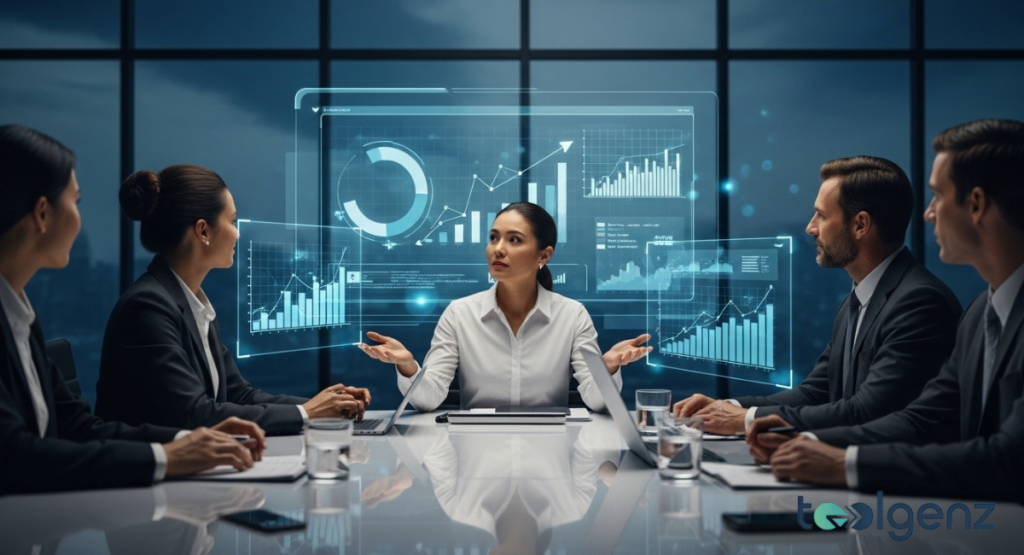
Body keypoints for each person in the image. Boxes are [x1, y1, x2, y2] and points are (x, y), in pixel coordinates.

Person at [748, 119, 1024, 500]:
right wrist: (804, 441)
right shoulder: (979, 314)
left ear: (976, 205)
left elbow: (1010, 459)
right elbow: (922, 419)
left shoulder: (922, 300)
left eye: (938, 196)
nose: (928, 214)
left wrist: (845, 463)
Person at [0, 124, 266, 494]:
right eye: (76, 201)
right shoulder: (147, 306)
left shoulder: (20, 320)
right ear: (42, 213)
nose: (80, 219)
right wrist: (167, 456)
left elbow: (79, 427)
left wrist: (185, 444)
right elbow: (14, 456)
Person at [674, 156, 961, 434]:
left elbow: (868, 411)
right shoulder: (859, 299)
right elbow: (816, 393)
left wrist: (746, 419)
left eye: (822, 215)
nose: (810, 227)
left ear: (860, 225)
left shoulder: (919, 303)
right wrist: (729, 407)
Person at [95, 164, 370, 435]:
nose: (237, 233)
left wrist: (326, 406)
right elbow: (195, 414)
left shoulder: (192, 304)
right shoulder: (147, 307)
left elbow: (239, 395)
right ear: (203, 231)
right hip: (146, 464)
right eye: (232, 221)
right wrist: (308, 413)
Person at [359, 202, 650, 412]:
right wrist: (408, 366)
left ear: (543, 255)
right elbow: (428, 400)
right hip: (476, 452)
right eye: (494, 238)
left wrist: (607, 367)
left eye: (514, 240)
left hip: (551, 452)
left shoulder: (572, 315)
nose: (498, 249)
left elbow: (596, 402)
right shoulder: (460, 313)